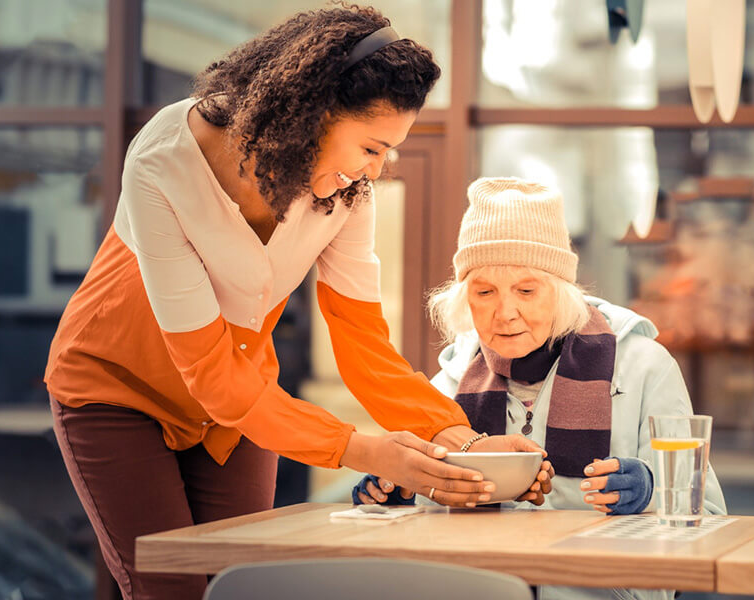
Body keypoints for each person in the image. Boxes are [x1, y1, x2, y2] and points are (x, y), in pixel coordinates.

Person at [44, 8, 549, 600]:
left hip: (241, 408)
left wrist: (462, 443)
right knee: (171, 589)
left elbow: (364, 347)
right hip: (117, 391)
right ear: (316, 112)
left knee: (243, 586)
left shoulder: (347, 193)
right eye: (371, 146)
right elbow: (209, 372)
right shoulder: (163, 163)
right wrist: (367, 452)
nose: (378, 170)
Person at [353, 177, 727, 600]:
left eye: (527, 290)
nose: (505, 313)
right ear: (464, 299)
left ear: (562, 291)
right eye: (485, 291)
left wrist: (649, 490)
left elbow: (709, 517)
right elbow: (418, 524)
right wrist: (396, 492)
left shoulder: (644, 367)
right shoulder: (452, 380)